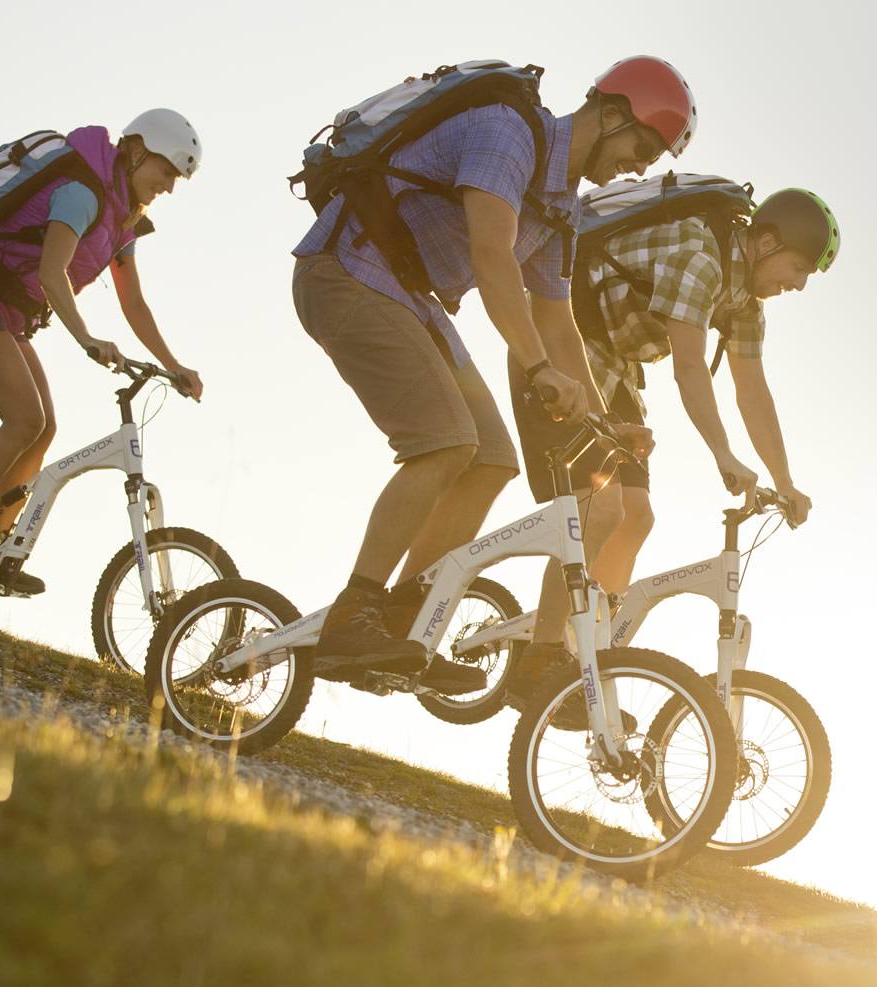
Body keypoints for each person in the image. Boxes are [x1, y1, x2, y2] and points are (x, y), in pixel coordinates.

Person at [291, 57, 692, 691]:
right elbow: (490, 251)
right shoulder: (507, 132)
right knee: (448, 441)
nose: (639, 165)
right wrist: (534, 367)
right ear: (611, 113)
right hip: (347, 274)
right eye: (640, 146)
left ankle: (397, 622)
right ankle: (353, 615)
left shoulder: (563, 207)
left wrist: (605, 425)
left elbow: (558, 321)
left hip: (408, 299)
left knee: (494, 458)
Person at [499, 186, 838, 701]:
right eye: (798, 268)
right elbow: (688, 368)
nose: (799, 284)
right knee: (601, 509)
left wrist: (785, 481)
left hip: (615, 367)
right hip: (564, 346)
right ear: (766, 243)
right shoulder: (701, 258)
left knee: (637, 518)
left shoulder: (745, 301)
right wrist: (722, 453)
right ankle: (541, 660)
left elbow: (753, 390)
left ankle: (585, 661)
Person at [0, 111, 206, 595]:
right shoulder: (81, 194)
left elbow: (133, 303)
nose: (169, 187)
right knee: (24, 420)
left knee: (43, 427)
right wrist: (87, 338)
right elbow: (54, 274)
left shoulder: (123, 223)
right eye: (166, 171)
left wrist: (175, 365)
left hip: (5, 318)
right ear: (136, 151)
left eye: (177, 178)